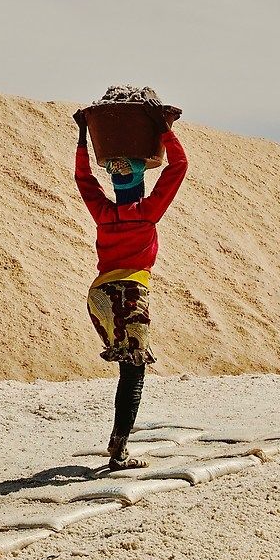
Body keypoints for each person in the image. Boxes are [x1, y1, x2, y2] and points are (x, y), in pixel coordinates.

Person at [72, 104, 188, 469]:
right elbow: (178, 167)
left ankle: (118, 443)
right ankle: (119, 449)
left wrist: (81, 136)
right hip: (129, 294)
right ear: (140, 180)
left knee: (128, 367)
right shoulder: (148, 211)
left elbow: (84, 179)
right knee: (134, 369)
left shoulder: (104, 214)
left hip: (99, 295)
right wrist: (164, 128)